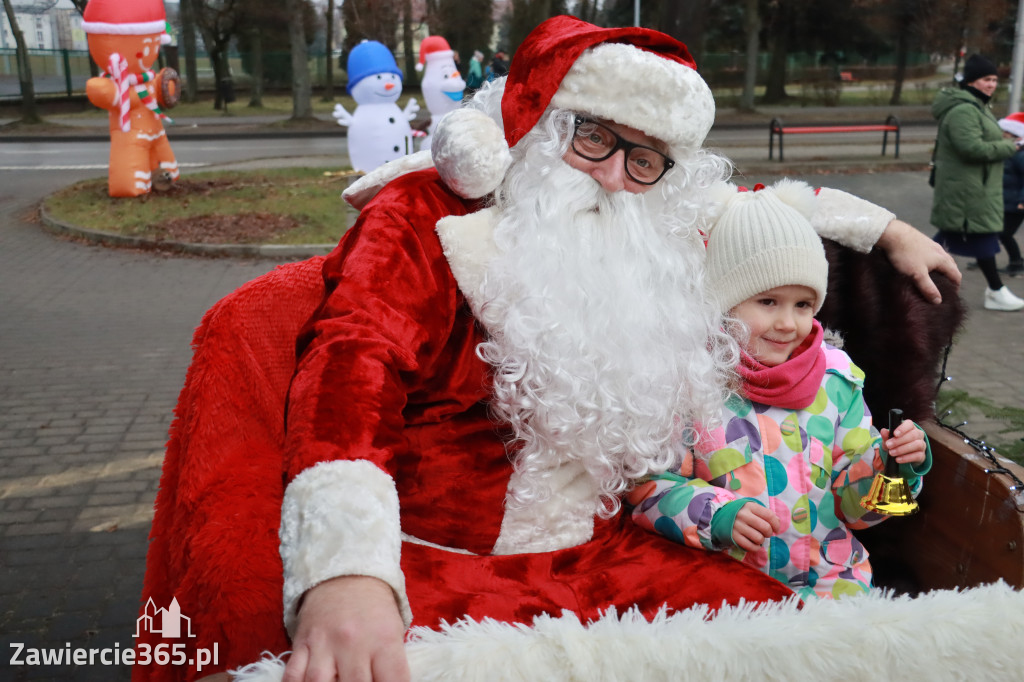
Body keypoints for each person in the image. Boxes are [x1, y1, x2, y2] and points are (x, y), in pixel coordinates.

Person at [150, 17, 958, 682]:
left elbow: (760, 204)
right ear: (533, 125)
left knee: (799, 645)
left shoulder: (654, 213)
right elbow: (350, 373)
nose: (613, 178)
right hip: (444, 555)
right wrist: (346, 572)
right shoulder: (427, 219)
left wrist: (886, 228)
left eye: (644, 158)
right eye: (591, 139)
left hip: (605, 544)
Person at [629, 180, 931, 601]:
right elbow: (646, 488)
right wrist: (717, 515)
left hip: (833, 581)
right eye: (768, 302)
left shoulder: (838, 381)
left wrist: (891, 470)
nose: (788, 323)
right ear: (722, 302)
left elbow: (857, 513)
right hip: (725, 585)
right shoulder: (687, 382)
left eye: (803, 305)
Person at [931, 54, 1024, 311]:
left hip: (973, 190)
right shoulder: (964, 110)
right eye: (986, 79)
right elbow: (971, 148)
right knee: (978, 241)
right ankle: (995, 291)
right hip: (967, 193)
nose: (992, 84)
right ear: (972, 81)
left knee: (954, 242)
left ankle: (995, 290)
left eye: (994, 79)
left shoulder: (977, 106)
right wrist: (1010, 146)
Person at [998, 111, 1024, 277]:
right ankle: (982, 258)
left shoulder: (1020, 155)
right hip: (1006, 201)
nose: (1003, 135)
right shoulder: (1010, 151)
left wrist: (1022, 201)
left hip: (1016, 203)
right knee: (998, 232)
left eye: (1007, 132)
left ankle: (1016, 263)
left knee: (1005, 234)